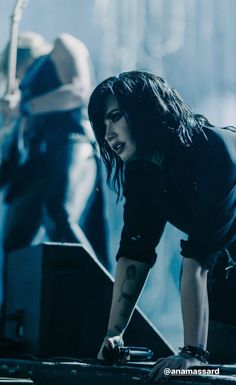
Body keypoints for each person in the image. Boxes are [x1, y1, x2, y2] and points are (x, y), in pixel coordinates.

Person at [88, 70, 236, 382]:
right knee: (211, 372)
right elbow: (134, 254)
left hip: (217, 261)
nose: (108, 133)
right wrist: (113, 338)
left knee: (200, 366)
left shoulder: (214, 151)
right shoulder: (142, 172)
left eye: (115, 117)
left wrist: (193, 353)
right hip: (228, 267)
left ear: (147, 111)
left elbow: (198, 257)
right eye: (103, 125)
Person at [0, 32, 109, 269]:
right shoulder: (24, 94)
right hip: (37, 158)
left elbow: (78, 92)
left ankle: (99, 294)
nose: (17, 78)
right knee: (14, 240)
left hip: (71, 142)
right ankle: (19, 304)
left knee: (59, 215)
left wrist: (24, 107)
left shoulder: (61, 46)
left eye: (16, 71)